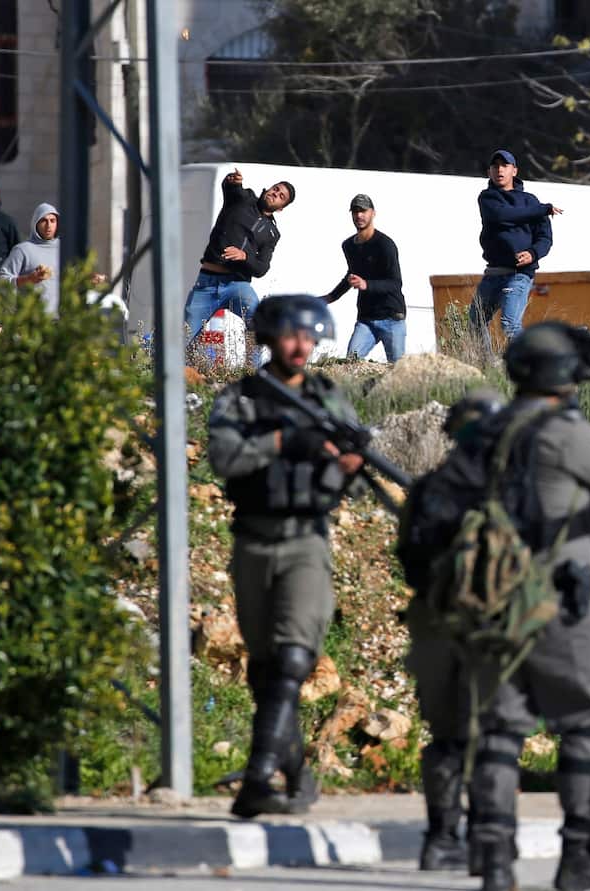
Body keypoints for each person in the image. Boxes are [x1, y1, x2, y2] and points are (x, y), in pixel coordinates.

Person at [467, 322, 590, 891]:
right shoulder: (565, 432)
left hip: (494, 594)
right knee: (586, 721)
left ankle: (494, 860)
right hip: (557, 597)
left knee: (500, 730)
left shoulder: (490, 428)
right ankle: (579, 859)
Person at [207, 293, 365, 818]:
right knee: (266, 671)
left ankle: (256, 780)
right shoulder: (243, 399)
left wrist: (346, 464)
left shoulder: (327, 398)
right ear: (272, 339)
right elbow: (226, 458)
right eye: (291, 336)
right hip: (253, 538)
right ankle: (297, 774)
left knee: (296, 658)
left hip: (305, 539)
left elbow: (352, 477)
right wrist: (281, 441)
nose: (301, 346)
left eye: (308, 337)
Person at [402, 388, 505, 872]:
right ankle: (489, 841)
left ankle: (441, 838)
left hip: (434, 622)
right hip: (494, 628)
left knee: (445, 736)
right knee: (491, 736)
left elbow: (408, 560)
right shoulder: (513, 492)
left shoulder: (428, 489)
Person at [185, 168, 295, 358]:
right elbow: (232, 189)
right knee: (183, 335)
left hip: (237, 285)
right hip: (207, 284)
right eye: (275, 189)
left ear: (281, 207)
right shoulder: (244, 199)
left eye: (281, 196)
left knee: (256, 320)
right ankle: (153, 369)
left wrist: (244, 257)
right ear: (268, 188)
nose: (275, 194)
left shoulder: (272, 233)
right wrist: (233, 181)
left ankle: (254, 372)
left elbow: (261, 268)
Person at [468, 150, 562, 356]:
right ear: (489, 172)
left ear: (514, 170)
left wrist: (533, 253)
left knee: (509, 323)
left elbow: (545, 238)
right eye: (495, 166)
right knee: (475, 321)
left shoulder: (531, 201)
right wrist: (543, 208)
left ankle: (532, 364)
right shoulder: (488, 198)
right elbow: (502, 216)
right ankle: (487, 364)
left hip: (519, 275)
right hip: (493, 273)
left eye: (505, 165)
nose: (499, 170)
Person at [323, 194, 407, 362]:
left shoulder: (385, 245)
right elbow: (352, 274)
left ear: (373, 213)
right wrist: (331, 297)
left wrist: (366, 284)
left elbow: (395, 283)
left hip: (392, 317)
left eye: (363, 211)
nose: (359, 215)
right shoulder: (348, 245)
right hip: (366, 319)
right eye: (355, 211)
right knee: (350, 363)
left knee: (398, 370)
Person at [0, 203, 107, 316]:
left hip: (62, 320)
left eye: (52, 221)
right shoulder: (22, 250)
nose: (48, 225)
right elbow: (1, 281)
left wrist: (89, 279)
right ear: (36, 223)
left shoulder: (66, 248)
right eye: (44, 220)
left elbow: (73, 281)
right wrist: (29, 279)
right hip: (31, 321)